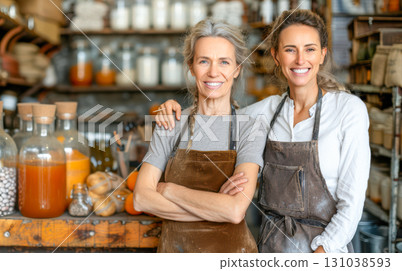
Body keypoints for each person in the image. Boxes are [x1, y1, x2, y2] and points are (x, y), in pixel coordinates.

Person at [154, 10, 371, 253]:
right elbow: (215, 111)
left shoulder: (348, 110)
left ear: (322, 54)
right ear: (276, 56)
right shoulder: (264, 112)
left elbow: (352, 206)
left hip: (326, 252)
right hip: (271, 249)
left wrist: (318, 256)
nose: (300, 60)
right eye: (290, 50)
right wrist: (175, 110)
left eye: (309, 49)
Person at [133, 19, 267, 253]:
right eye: (204, 61)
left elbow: (235, 210)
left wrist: (169, 190)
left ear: (237, 69)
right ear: (191, 67)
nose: (213, 72)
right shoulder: (170, 123)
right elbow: (141, 199)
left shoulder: (250, 128)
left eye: (224, 62)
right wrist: (215, 209)